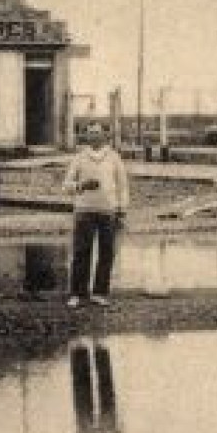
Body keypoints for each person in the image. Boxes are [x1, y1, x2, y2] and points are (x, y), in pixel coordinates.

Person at [62, 122, 129, 308]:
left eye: (98, 133)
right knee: (81, 252)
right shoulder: (80, 157)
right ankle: (77, 293)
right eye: (90, 133)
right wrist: (81, 186)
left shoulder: (114, 158)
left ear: (104, 135)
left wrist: (122, 208)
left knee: (106, 253)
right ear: (86, 136)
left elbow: (123, 186)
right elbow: (66, 185)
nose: (94, 136)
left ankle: (100, 293)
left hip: (108, 211)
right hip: (84, 210)